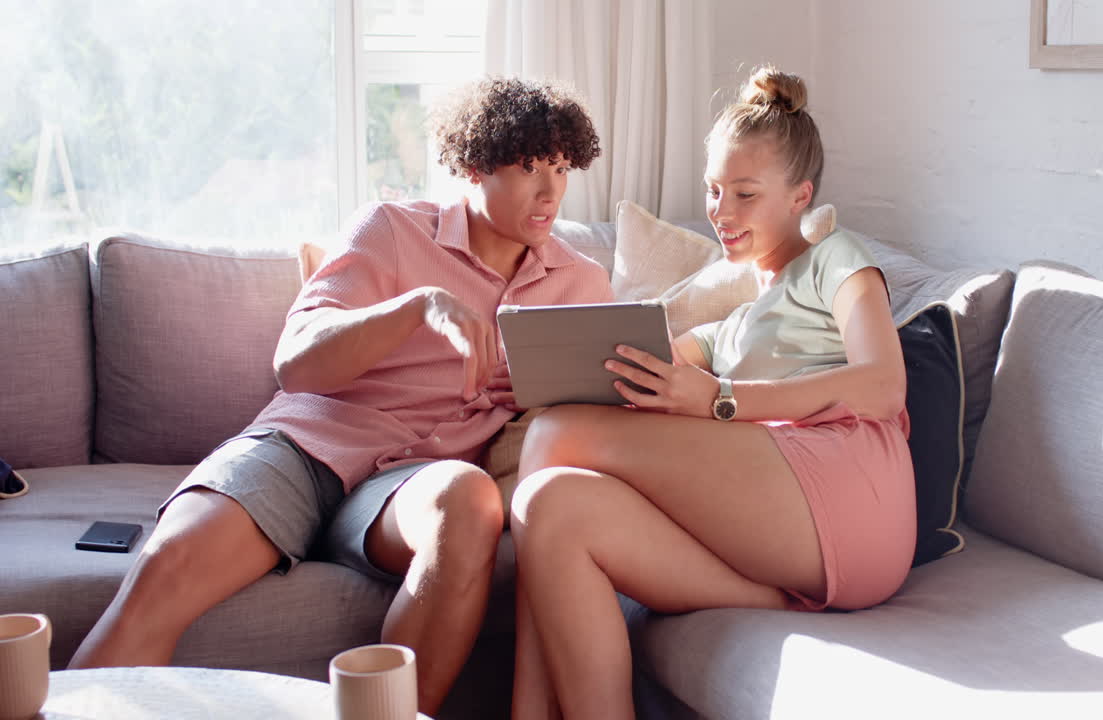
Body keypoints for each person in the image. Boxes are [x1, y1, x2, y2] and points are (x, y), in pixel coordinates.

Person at [69, 76, 613, 716]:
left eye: (559, 168)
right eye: (527, 168)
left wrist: (540, 391)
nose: (549, 192)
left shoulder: (583, 282)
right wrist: (415, 308)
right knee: (164, 573)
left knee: (466, 502)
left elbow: (596, 416)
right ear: (473, 165)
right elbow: (294, 363)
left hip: (413, 484)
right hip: (305, 448)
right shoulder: (392, 230)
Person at [508, 66, 916, 719]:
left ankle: (523, 712)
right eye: (714, 190)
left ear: (800, 197)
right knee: (551, 506)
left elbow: (883, 383)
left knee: (556, 436)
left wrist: (721, 401)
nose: (720, 213)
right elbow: (643, 369)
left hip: (853, 495)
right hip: (783, 524)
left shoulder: (837, 258)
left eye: (745, 194)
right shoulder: (732, 325)